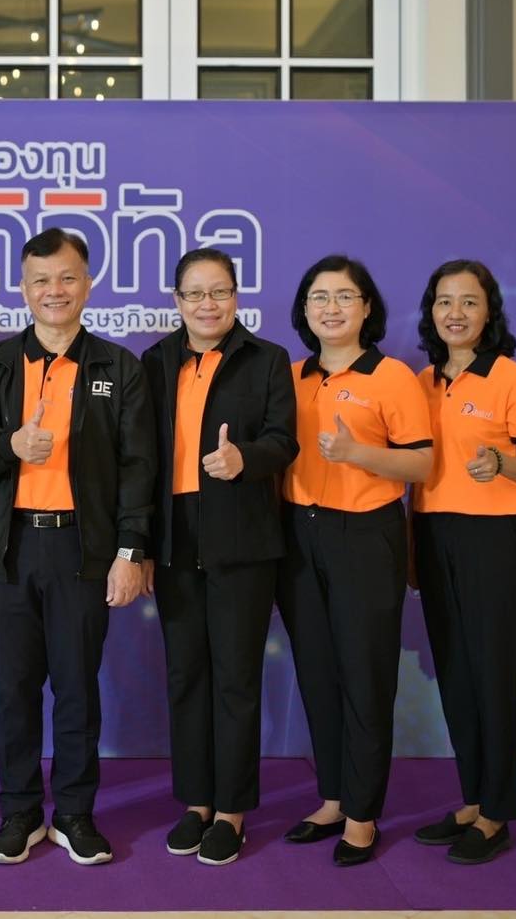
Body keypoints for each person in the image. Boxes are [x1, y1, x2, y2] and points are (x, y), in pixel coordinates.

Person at [0, 228, 156, 866]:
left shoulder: (116, 366)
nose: (55, 291)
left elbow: (139, 466)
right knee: (13, 688)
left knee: (76, 687)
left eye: (67, 278)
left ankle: (73, 813)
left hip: (82, 550)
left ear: (87, 284)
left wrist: (130, 551)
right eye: (41, 280)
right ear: (23, 289)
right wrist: (9, 446)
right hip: (10, 548)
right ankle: (19, 811)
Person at [140, 249, 298, 866]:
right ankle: (197, 801)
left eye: (220, 292)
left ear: (236, 296)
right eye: (195, 294)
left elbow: (284, 440)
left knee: (235, 677)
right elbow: (141, 460)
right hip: (175, 539)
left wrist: (244, 460)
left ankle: (231, 810)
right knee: (186, 675)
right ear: (177, 300)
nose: (208, 305)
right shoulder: (155, 362)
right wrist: (141, 545)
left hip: (242, 540)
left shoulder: (267, 359)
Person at [277, 254, 433, 866]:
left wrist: (358, 453)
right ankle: (334, 797)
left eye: (345, 296)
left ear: (367, 307)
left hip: (365, 534)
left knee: (365, 674)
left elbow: (421, 463)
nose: (331, 308)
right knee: (317, 672)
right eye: (319, 297)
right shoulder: (291, 375)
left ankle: (364, 814)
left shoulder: (392, 376)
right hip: (298, 533)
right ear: (304, 309)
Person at [409, 259, 516, 865]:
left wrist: (501, 463)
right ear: (431, 312)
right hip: (433, 533)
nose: (456, 314)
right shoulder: (421, 381)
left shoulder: (515, 378)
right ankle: (471, 801)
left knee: (493, 677)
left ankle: (497, 813)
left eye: (469, 302)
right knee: (456, 675)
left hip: (495, 537)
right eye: (445, 301)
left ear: (489, 311)